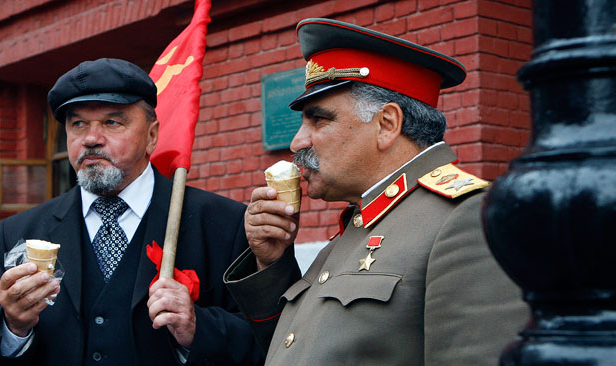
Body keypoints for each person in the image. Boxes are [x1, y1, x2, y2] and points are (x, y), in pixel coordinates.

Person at [224, 18, 528, 365]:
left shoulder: (467, 219)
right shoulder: (364, 220)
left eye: (318, 120)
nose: (297, 142)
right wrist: (272, 262)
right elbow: (299, 349)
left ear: (386, 125)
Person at [0, 58, 261, 365]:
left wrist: (197, 328)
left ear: (151, 136)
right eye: (77, 123)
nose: (91, 138)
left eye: (112, 122)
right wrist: (13, 327)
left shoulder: (223, 223)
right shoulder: (21, 232)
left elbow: (264, 343)